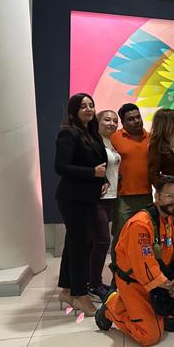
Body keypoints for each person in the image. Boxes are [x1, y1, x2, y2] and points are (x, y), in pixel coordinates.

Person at [96, 176, 174, 345]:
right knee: (150, 336)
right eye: (169, 196)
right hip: (136, 282)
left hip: (162, 278)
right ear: (157, 196)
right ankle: (112, 306)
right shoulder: (141, 224)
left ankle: (165, 313)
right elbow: (145, 267)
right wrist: (172, 288)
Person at [54, 93, 108, 316]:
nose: (88, 109)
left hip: (87, 197)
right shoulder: (68, 133)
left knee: (73, 243)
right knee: (81, 245)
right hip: (72, 197)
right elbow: (61, 167)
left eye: (91, 105)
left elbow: (98, 163)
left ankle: (67, 289)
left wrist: (102, 180)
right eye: (83, 106)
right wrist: (92, 173)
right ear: (73, 110)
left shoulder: (91, 133)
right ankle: (80, 295)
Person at [110, 103, 152, 272]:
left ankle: (140, 271)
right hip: (123, 197)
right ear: (123, 122)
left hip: (146, 196)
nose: (136, 121)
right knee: (121, 236)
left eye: (138, 117)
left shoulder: (150, 138)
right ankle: (117, 272)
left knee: (144, 236)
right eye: (131, 119)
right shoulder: (114, 138)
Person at [90, 109, 121, 301]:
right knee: (102, 241)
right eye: (107, 119)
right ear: (98, 121)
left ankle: (93, 281)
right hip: (97, 199)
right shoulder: (94, 143)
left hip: (111, 198)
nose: (112, 123)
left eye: (115, 121)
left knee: (99, 241)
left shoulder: (111, 143)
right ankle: (94, 284)